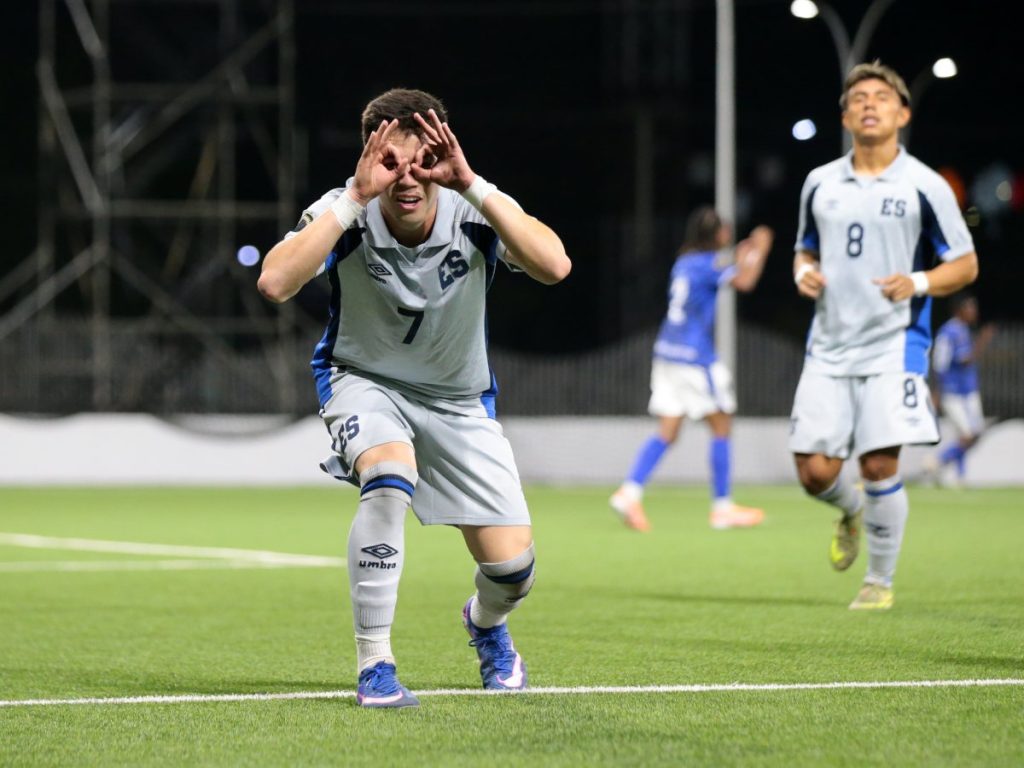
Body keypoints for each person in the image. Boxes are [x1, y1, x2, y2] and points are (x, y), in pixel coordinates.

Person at [258, 89, 570, 708]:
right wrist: (352, 198)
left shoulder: (472, 206)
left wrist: (474, 183)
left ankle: (485, 624)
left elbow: (554, 265)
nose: (408, 178)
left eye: (422, 160)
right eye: (392, 162)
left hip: (459, 403)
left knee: (512, 573)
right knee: (389, 474)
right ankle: (376, 663)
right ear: (370, 156)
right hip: (364, 382)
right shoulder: (346, 208)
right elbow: (274, 281)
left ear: (441, 154)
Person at [790, 61, 978, 611]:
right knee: (812, 470)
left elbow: (965, 265)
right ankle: (850, 509)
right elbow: (804, 249)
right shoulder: (819, 182)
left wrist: (917, 281)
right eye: (858, 98)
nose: (869, 104)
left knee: (878, 463)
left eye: (881, 97)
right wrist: (803, 272)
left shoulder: (925, 185)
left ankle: (878, 580)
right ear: (845, 116)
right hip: (827, 344)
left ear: (902, 112)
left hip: (896, 344)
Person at [610, 207, 773, 531]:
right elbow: (745, 281)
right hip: (693, 357)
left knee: (668, 431)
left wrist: (741, 254)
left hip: (667, 351)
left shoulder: (685, 261)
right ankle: (723, 507)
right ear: (719, 235)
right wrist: (761, 250)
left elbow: (726, 267)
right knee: (722, 425)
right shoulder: (709, 264)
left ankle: (629, 492)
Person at [924, 293, 995, 486]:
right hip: (953, 392)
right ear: (959, 310)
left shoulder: (963, 330)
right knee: (967, 435)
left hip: (969, 390)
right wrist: (982, 341)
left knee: (973, 434)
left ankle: (954, 473)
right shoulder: (949, 332)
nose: (974, 311)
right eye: (970, 307)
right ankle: (938, 463)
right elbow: (945, 361)